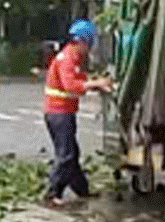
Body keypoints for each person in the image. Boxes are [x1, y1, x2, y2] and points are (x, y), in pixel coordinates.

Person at [42, 18, 114, 205]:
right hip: (59, 113)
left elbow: (79, 78)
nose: (89, 48)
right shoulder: (68, 57)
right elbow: (71, 85)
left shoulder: (72, 56)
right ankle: (53, 194)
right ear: (84, 40)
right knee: (66, 155)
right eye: (89, 43)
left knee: (72, 153)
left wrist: (95, 82)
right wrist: (96, 84)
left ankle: (82, 190)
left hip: (61, 112)